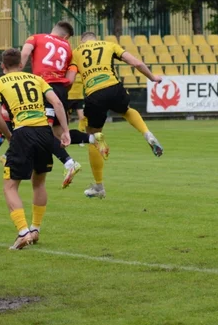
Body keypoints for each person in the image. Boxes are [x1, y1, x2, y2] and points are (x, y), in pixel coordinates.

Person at [0, 48, 71, 249]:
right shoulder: (37, 79)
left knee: (10, 186)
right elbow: (57, 103)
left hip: (23, 133)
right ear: (21, 64)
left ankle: (23, 232)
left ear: (2, 66)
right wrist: (66, 131)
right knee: (39, 182)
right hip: (45, 132)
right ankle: (35, 229)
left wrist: (10, 136)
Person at [69, 31, 163, 199]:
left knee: (93, 137)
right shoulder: (108, 45)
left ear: (82, 41)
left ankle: (99, 186)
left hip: (94, 93)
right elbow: (136, 63)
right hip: (114, 88)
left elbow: (70, 78)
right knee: (126, 110)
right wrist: (152, 77)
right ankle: (147, 133)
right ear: (95, 39)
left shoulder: (76, 52)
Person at [20, 21, 89, 187]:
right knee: (58, 134)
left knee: (42, 132)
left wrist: (19, 71)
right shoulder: (68, 48)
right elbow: (71, 79)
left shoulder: (35, 38)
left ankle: (69, 162)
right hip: (61, 91)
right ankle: (93, 138)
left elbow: (25, 52)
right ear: (66, 36)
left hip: (44, 88)